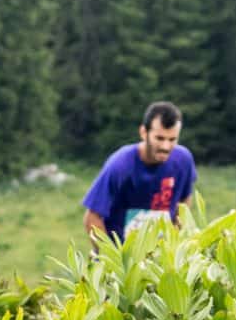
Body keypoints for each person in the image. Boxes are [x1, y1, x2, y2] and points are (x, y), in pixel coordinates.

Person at [82, 101, 199, 241]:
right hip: (122, 254)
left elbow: (185, 202)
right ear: (144, 132)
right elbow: (92, 218)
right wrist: (110, 256)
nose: (166, 146)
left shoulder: (183, 160)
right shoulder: (121, 164)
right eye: (159, 138)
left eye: (172, 139)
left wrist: (176, 241)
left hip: (160, 256)